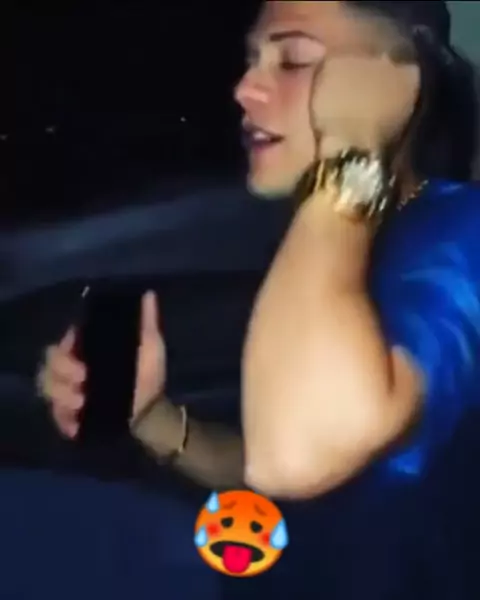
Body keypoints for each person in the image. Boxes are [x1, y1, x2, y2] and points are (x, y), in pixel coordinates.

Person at [36, 1, 480, 597]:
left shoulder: (463, 233)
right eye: (251, 60)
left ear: (398, 85)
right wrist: (155, 420)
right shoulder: (326, 238)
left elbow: (294, 457)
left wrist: (352, 154)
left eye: (293, 60)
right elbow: (268, 471)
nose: (244, 88)